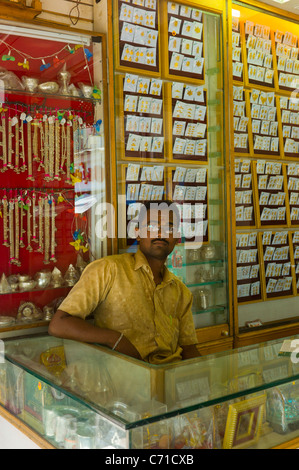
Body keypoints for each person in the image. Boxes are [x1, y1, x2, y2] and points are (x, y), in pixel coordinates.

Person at [48, 200, 200, 364]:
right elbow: (59, 324)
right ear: (137, 233)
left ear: (177, 237)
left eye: (169, 228)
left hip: (169, 377)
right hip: (123, 380)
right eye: (152, 226)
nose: (160, 234)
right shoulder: (108, 270)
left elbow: (189, 348)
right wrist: (114, 339)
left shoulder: (180, 291)